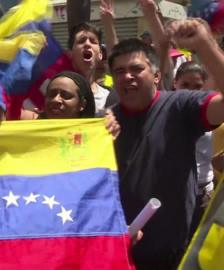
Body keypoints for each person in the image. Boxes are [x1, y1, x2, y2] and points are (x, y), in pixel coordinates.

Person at [108, 18, 224, 269]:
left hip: (175, 256)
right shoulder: (105, 122)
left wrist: (205, 45)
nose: (127, 76)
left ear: (157, 74)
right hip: (120, 256)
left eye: (136, 69)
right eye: (119, 71)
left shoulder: (181, 106)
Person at [173, 62, 214, 235]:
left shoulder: (212, 112)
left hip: (204, 197)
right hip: (174, 196)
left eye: (197, 86)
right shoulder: (165, 110)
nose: (191, 91)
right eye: (185, 85)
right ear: (175, 84)